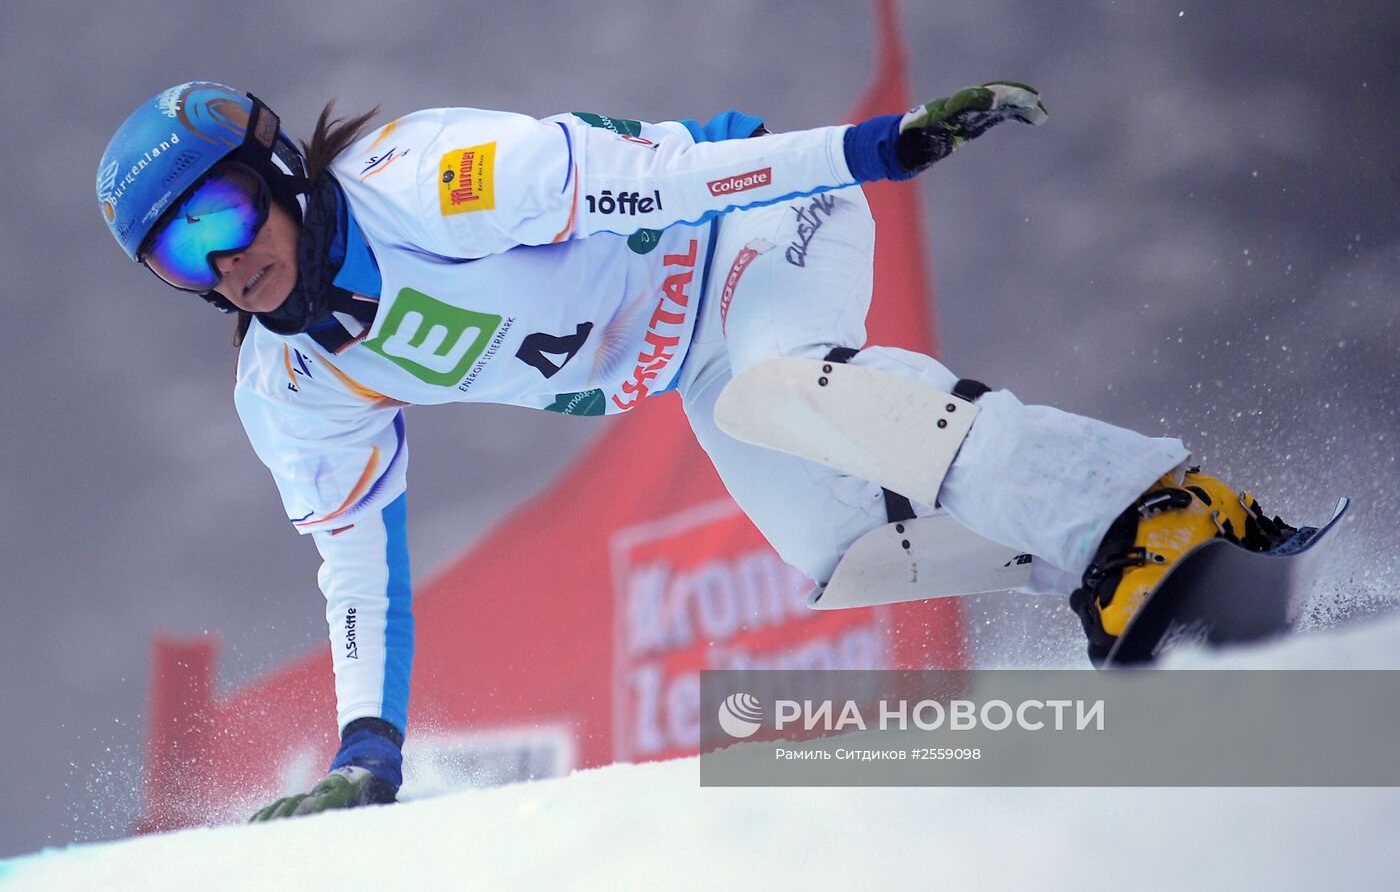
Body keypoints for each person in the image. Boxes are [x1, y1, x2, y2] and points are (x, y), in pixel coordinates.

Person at [97, 81, 1294, 819]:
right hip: (692, 359)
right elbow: (354, 565)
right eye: (174, 255)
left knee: (793, 388)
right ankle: (1117, 567)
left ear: (282, 174)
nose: (220, 263)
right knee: (840, 553)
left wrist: (869, 150)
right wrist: (368, 753)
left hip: (755, 225)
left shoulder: (435, 180)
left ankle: (1142, 507)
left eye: (222, 214)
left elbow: (674, 178)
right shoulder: (291, 381)